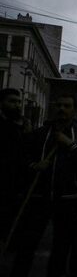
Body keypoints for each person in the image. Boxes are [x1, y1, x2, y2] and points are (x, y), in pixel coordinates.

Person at [6, 94, 77, 277]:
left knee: (61, 243)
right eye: (60, 105)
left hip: (67, 198)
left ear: (73, 110)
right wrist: (34, 165)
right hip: (39, 197)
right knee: (28, 243)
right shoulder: (40, 133)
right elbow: (22, 157)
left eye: (67, 105)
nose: (62, 109)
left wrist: (69, 144)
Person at [0, 88, 29, 242]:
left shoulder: (21, 125)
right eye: (12, 101)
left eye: (18, 102)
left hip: (13, 185)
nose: (17, 105)